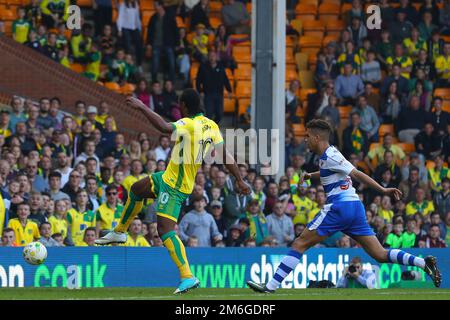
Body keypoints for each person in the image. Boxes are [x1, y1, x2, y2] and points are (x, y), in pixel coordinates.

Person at [247, 119, 441, 293]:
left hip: (339, 207)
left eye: (307, 136)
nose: (305, 140)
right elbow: (329, 171)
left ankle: (270, 286)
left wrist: (383, 190)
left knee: (299, 243)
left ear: (317, 137)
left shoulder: (331, 155)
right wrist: (309, 175)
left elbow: (356, 173)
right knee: (380, 254)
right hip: (354, 208)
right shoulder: (326, 156)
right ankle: (424, 263)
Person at [95, 90, 251, 294]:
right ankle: (120, 232)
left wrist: (142, 107)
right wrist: (239, 179)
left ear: (184, 106)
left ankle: (187, 276)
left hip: (175, 186)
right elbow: (226, 156)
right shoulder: (210, 125)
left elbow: (164, 127)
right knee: (136, 190)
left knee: (165, 230)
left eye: (180, 105)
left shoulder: (188, 124)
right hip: (167, 177)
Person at [196, 51, 232, 124]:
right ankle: (209, 131)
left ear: (216, 57)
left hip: (219, 94)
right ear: (208, 57)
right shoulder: (203, 66)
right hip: (208, 94)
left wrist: (229, 90)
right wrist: (200, 91)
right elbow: (198, 80)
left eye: (213, 56)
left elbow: (225, 79)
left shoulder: (220, 66)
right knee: (209, 114)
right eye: (211, 56)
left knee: (219, 114)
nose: (212, 58)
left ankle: (213, 126)